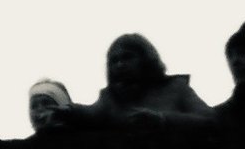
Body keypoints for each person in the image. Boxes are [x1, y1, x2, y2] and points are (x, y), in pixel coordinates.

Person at [64, 33, 213, 129]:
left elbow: (209, 120)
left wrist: (163, 120)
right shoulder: (110, 97)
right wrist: (68, 111)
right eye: (114, 60)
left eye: (127, 57)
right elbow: (92, 113)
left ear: (146, 60)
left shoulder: (176, 88)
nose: (120, 64)